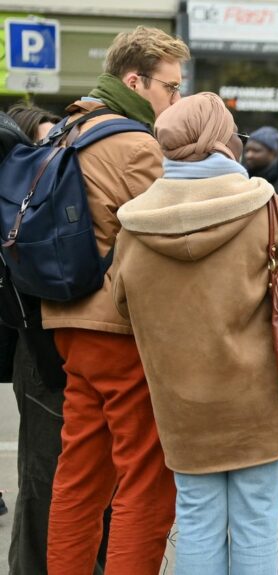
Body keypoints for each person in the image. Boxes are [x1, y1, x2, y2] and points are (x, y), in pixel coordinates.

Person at [112, 92, 278, 574]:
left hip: (182, 406)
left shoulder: (135, 223)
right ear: (216, 141)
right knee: (254, 522)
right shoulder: (261, 207)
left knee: (196, 520)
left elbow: (122, 305)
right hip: (257, 403)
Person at [42, 26, 189, 575]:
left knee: (80, 476)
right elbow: (173, 239)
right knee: (146, 481)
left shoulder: (67, 127)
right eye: (170, 87)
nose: (176, 99)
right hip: (122, 332)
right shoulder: (135, 144)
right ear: (135, 80)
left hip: (68, 322)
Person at [1, 105, 112, 575]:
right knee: (46, 483)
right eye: (42, 147)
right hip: (42, 352)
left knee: (71, 484)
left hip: (57, 348)